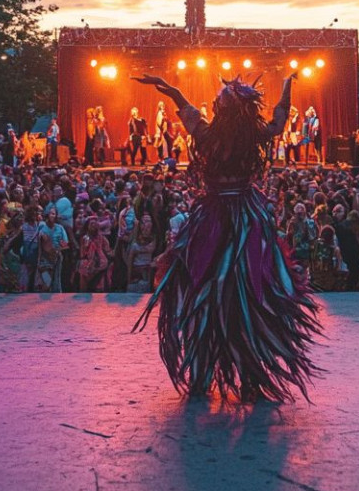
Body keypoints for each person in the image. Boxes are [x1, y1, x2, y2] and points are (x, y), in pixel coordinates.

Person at [133, 72, 320, 401]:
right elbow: (277, 122)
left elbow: (192, 115)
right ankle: (247, 375)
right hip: (245, 218)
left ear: (226, 108)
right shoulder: (251, 135)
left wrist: (175, 92)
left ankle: (207, 373)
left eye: (220, 98)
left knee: (209, 291)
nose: (216, 101)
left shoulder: (209, 136)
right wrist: (287, 85)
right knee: (245, 295)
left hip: (218, 219)